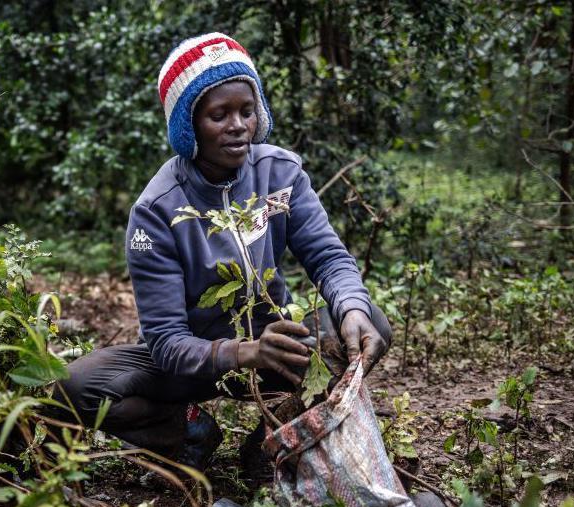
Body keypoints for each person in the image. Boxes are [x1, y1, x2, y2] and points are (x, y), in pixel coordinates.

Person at [53, 32, 392, 475]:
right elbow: (167, 341)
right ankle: (189, 433)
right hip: (187, 363)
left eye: (246, 111)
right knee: (74, 386)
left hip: (275, 346)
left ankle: (271, 445)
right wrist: (245, 352)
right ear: (187, 125)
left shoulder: (280, 173)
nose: (238, 126)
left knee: (369, 323)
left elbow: (328, 257)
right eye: (219, 115)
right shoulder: (157, 210)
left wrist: (349, 306)